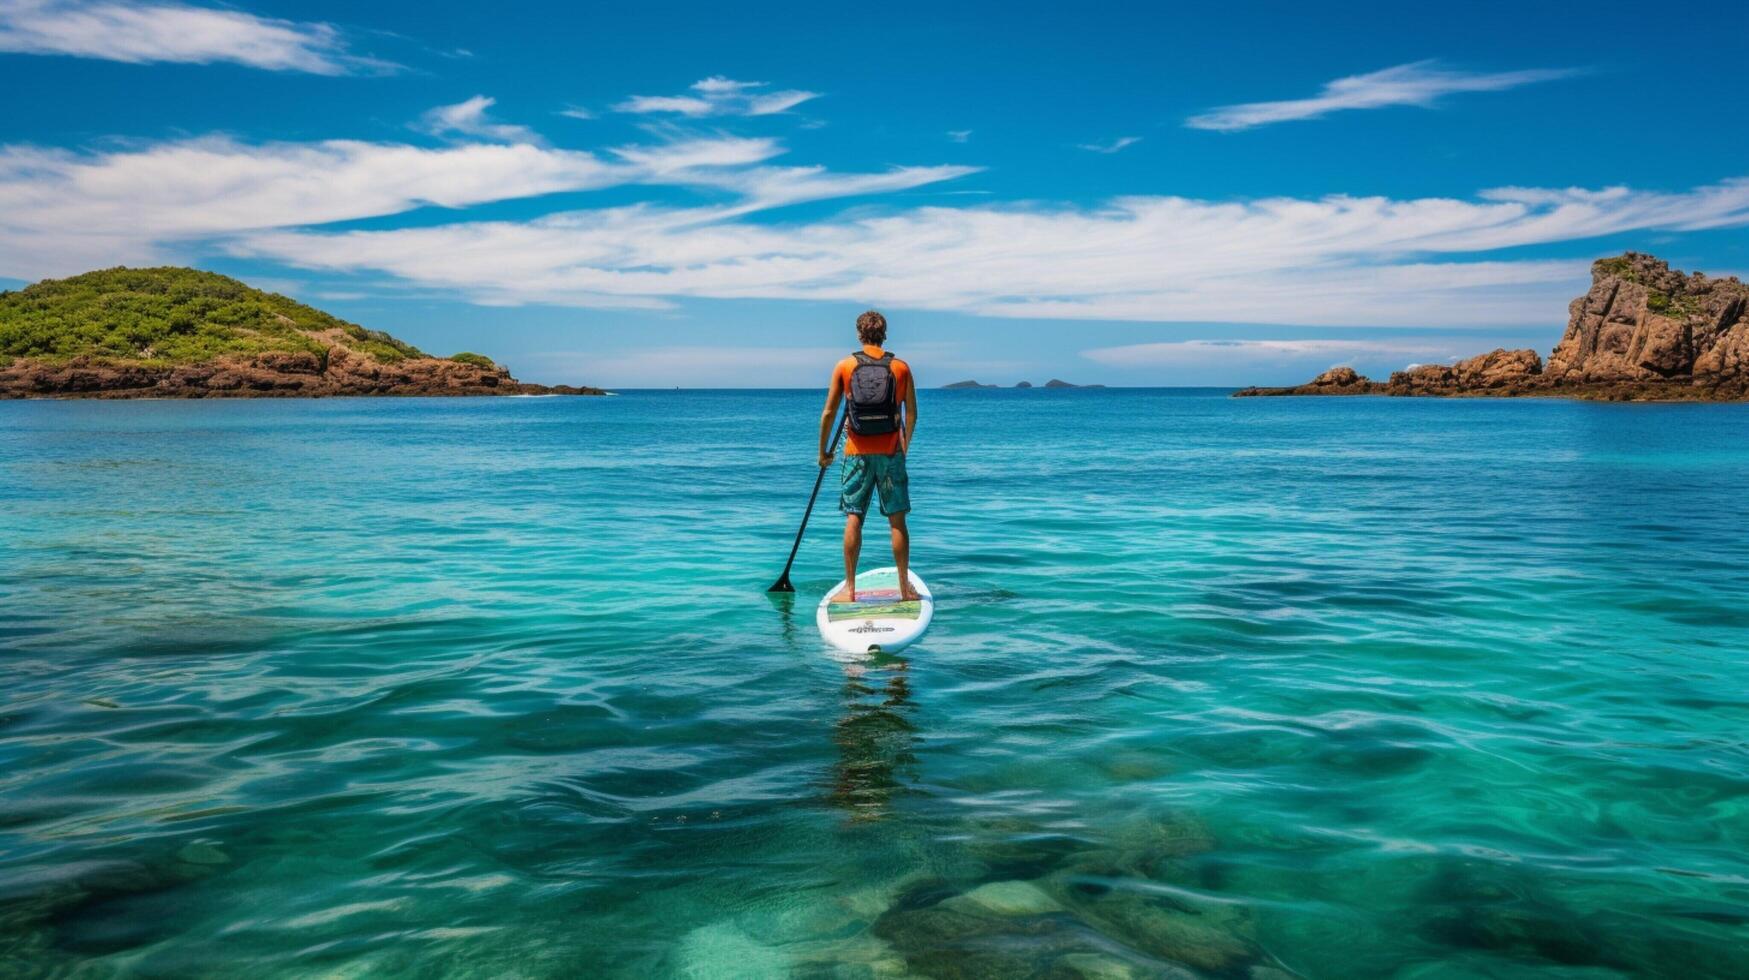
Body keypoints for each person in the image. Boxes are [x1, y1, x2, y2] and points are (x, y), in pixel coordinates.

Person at [819, 310, 920, 604]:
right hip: (891, 452)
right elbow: (911, 413)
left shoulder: (845, 366)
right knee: (897, 522)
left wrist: (823, 452)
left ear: (859, 334)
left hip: (855, 453)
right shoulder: (901, 368)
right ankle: (905, 591)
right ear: (884, 333)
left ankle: (849, 591)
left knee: (854, 518)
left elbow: (828, 413)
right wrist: (905, 445)